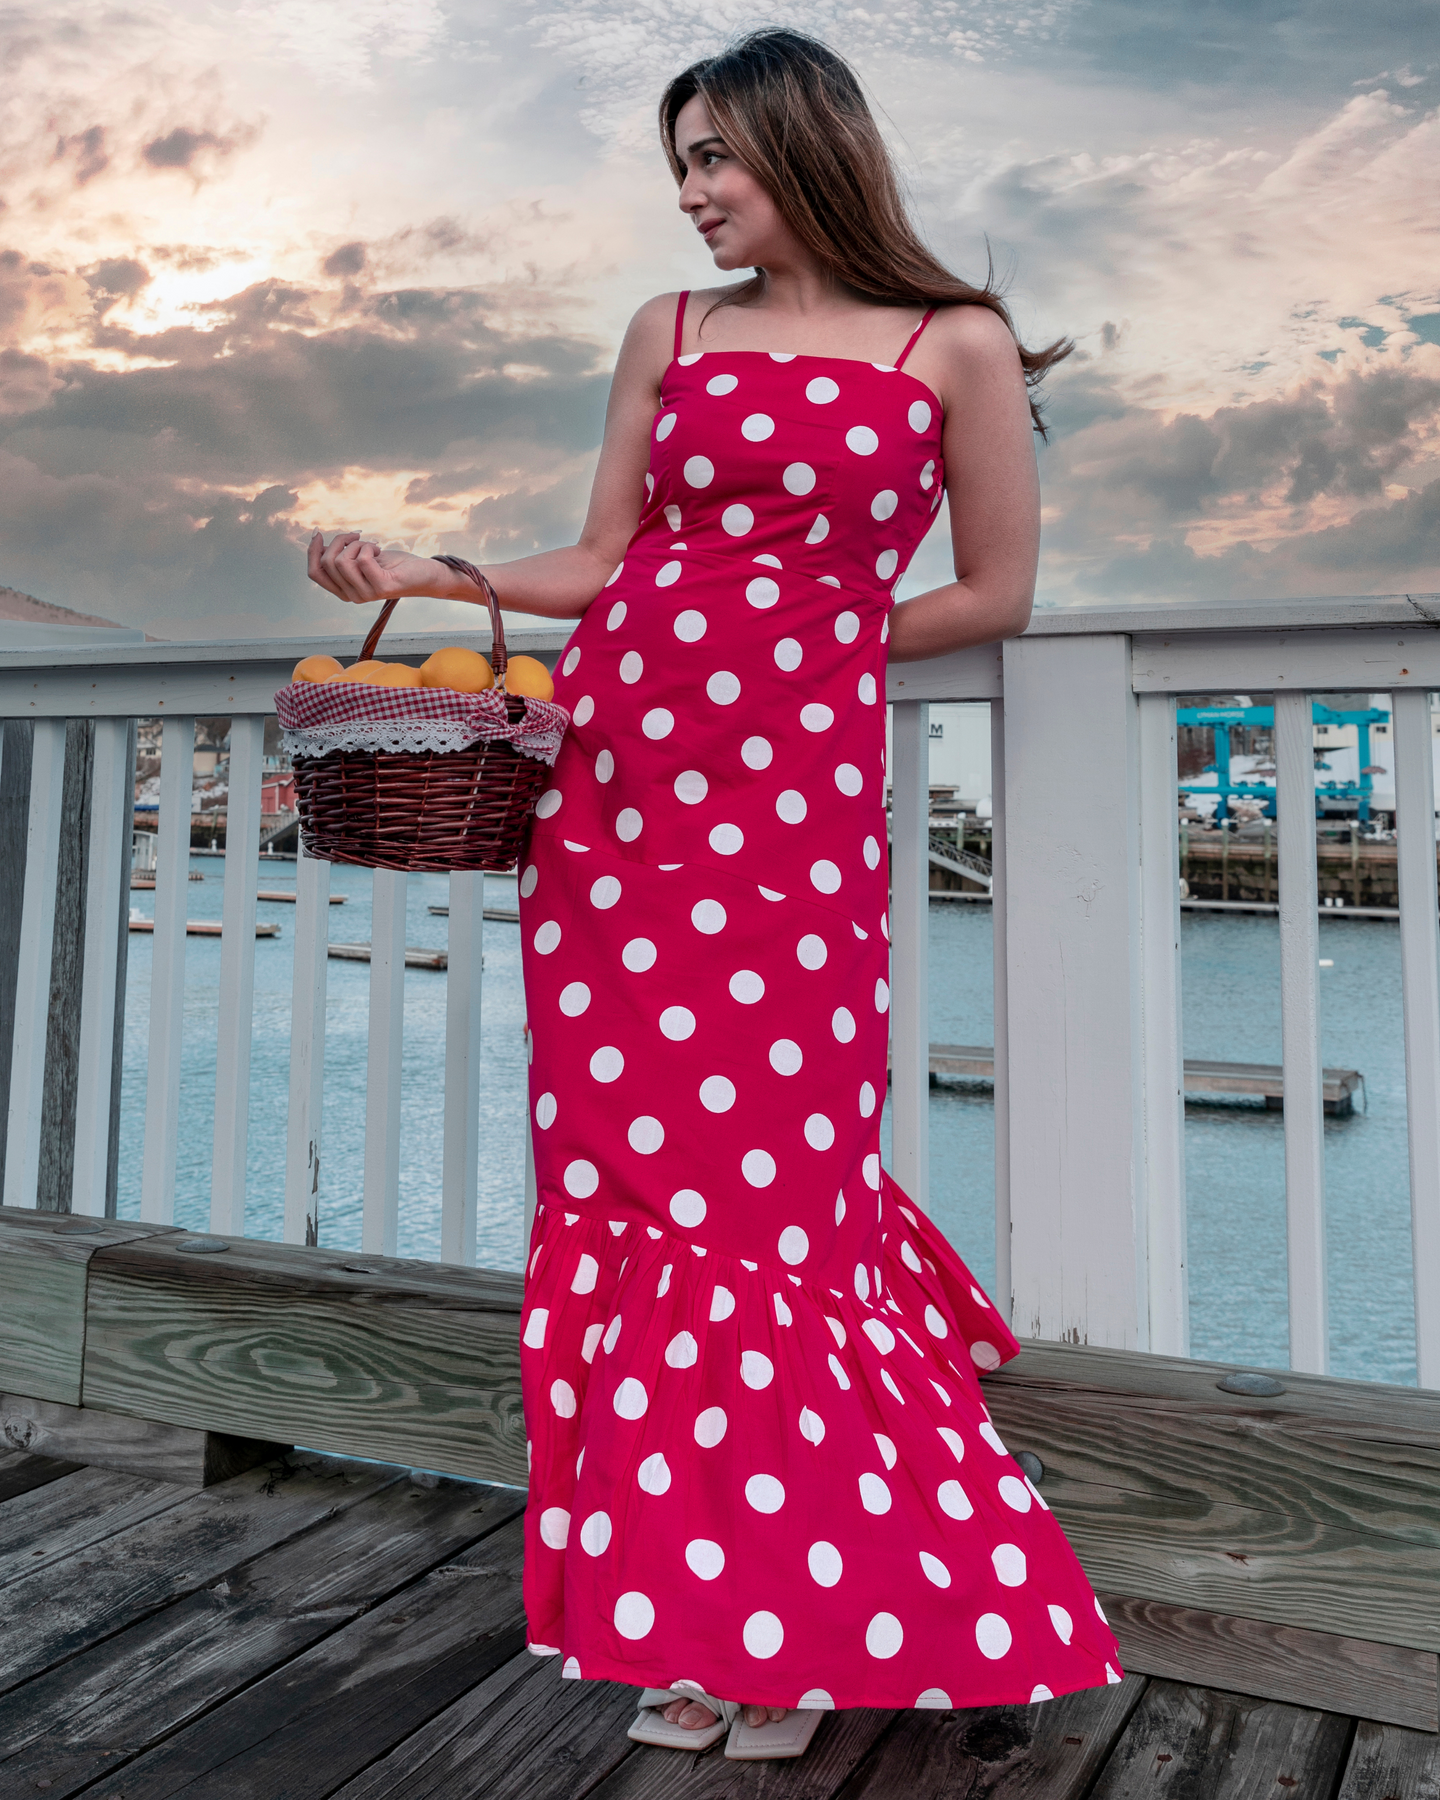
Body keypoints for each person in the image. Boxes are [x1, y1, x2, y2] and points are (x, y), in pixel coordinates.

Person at [308, 25, 1121, 1764]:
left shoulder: (951, 341)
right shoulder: (668, 334)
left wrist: (803, 650)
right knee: (633, 1185)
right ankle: (699, 1619)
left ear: (804, 149)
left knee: (768, 1197)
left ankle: (803, 1629)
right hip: (615, 797)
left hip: (787, 816)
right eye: (676, 167)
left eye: (715, 162)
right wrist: (436, 569)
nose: (690, 197)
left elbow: (996, 594)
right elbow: (602, 561)